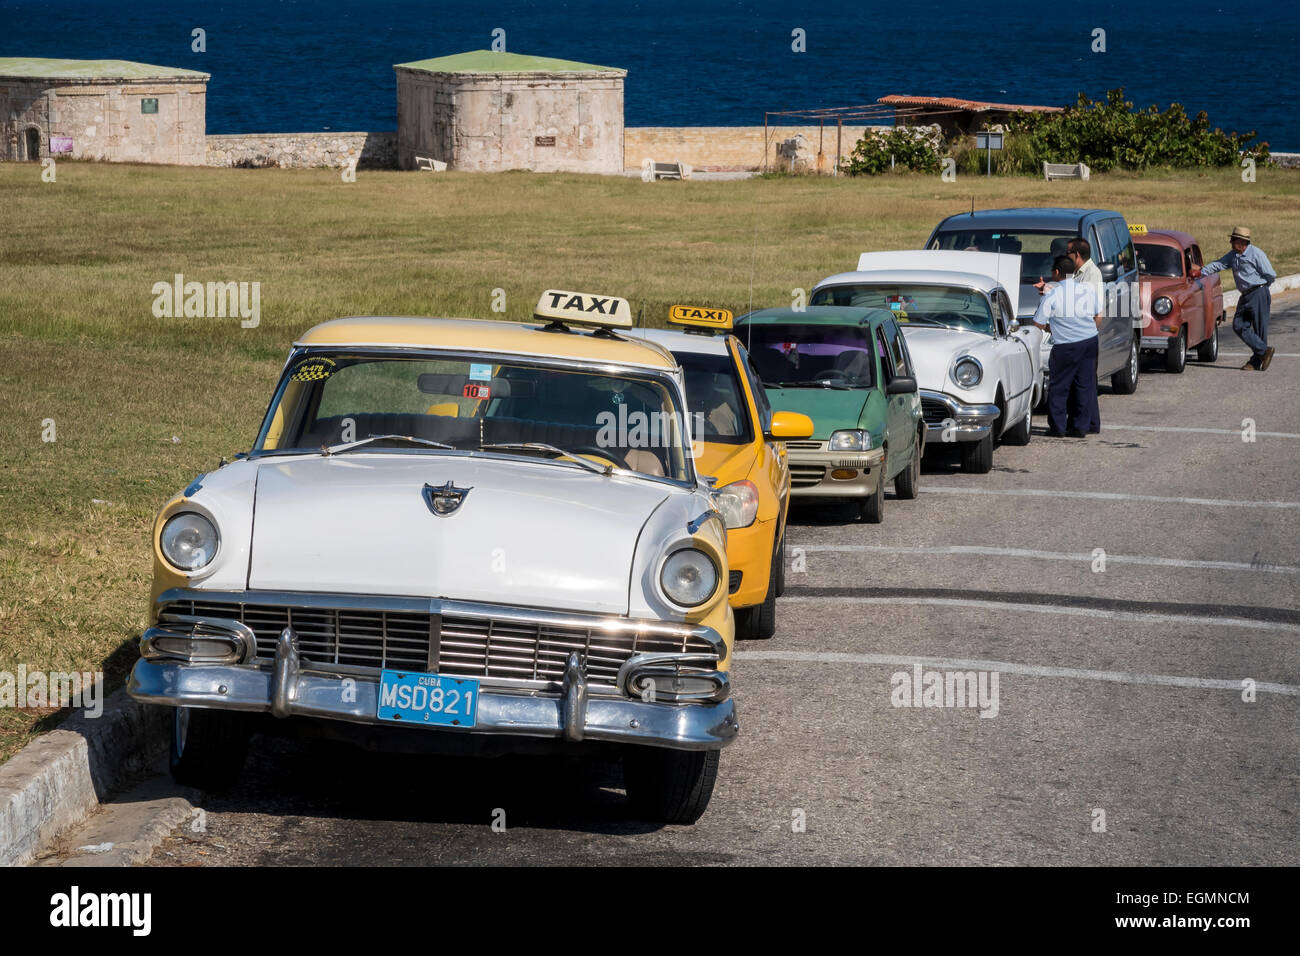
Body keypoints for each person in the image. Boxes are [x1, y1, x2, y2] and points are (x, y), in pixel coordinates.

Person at [1031, 256, 1102, 438]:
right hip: (1089, 341)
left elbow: (1038, 322)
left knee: (1059, 387)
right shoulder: (1086, 289)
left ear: (1056, 272)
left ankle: (1058, 428)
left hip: (1066, 346)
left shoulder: (1053, 294)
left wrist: (1051, 327)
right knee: (1084, 385)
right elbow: (1097, 313)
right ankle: (1080, 427)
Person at [1192, 226, 1276, 371]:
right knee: (1238, 324)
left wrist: (1262, 288)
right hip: (1245, 295)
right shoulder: (1233, 255)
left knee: (1260, 329)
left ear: (1242, 242)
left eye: (1233, 239)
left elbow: (1270, 274)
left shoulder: (1256, 254)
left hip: (1258, 292)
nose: (1230, 242)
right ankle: (1263, 351)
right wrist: (1200, 272)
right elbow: (1219, 264)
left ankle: (1256, 362)